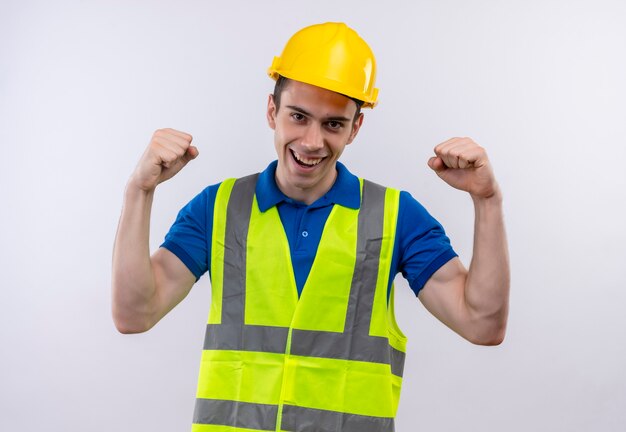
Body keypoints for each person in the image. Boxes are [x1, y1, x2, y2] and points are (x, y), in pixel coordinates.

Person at [112, 22, 509, 432]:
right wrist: (138, 190)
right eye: (298, 116)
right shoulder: (219, 208)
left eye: (333, 124)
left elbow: (482, 324)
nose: (312, 141)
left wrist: (488, 200)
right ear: (272, 111)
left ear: (355, 128)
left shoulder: (395, 216)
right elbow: (134, 314)